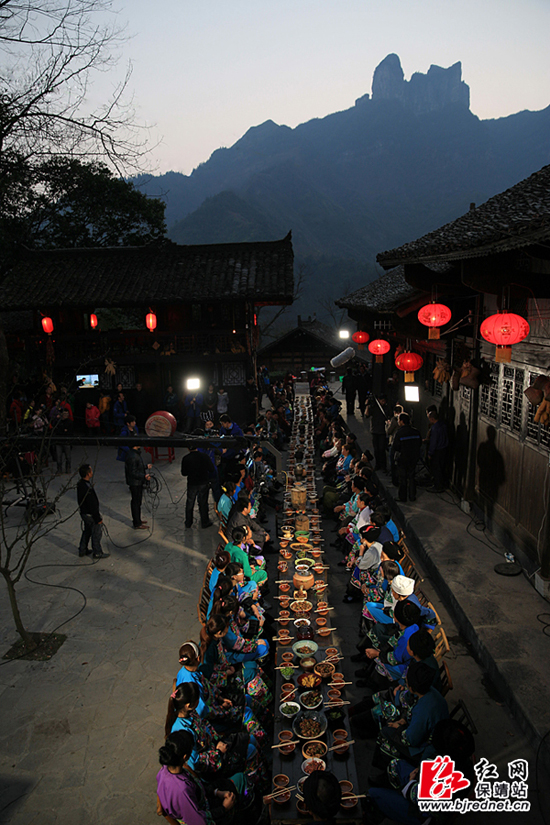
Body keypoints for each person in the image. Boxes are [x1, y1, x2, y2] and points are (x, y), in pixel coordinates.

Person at [157, 730, 241, 825]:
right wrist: (224, 808)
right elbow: (199, 820)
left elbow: (198, 789)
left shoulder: (164, 770)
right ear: (185, 757)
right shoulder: (182, 790)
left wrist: (217, 792)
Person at [76, 464, 110, 559]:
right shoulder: (87, 489)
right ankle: (97, 552)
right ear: (88, 473)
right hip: (90, 514)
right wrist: (97, 518)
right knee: (96, 533)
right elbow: (92, 505)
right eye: (90, 471)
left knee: (87, 531)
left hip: (84, 513)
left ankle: (82, 549)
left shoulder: (81, 484)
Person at [181, 442, 215, 528]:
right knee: (203, 503)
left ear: (188, 449)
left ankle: (188, 522)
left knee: (190, 503)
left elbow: (184, 473)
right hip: (203, 483)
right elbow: (211, 469)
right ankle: (205, 522)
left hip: (192, 483)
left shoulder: (186, 458)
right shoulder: (204, 456)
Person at [392, 413, 422, 503]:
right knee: (412, 477)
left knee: (403, 478)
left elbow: (395, 446)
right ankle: (412, 496)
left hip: (403, 458)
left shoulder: (399, 433)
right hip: (414, 458)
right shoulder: (416, 432)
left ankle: (403, 497)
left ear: (402, 421)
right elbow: (420, 443)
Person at [124, 444, 151, 529]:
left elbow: (137, 467)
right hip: (135, 483)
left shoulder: (134, 454)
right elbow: (133, 472)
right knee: (136, 503)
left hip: (137, 482)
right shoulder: (133, 456)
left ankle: (138, 520)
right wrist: (144, 476)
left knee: (137, 502)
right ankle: (137, 523)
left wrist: (145, 466)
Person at [366, 394, 389, 471]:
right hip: (375, 430)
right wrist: (367, 405)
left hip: (382, 431)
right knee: (376, 449)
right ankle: (378, 464)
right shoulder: (373, 407)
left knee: (382, 449)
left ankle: (383, 465)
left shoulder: (386, 408)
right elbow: (367, 414)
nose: (383, 402)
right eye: (382, 401)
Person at [427, 410, 448, 492]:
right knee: (441, 468)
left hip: (437, 450)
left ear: (432, 418)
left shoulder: (435, 428)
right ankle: (441, 484)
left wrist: (430, 453)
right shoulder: (443, 425)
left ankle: (437, 486)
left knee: (436, 469)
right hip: (444, 449)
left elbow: (434, 442)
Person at [54, 408, 73, 474]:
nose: (66, 415)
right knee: (58, 457)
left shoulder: (69, 422)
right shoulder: (58, 422)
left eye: (67, 414)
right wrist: (63, 430)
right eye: (64, 414)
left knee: (68, 457)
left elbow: (70, 432)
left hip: (66, 441)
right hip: (59, 441)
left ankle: (68, 468)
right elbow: (56, 430)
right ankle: (59, 469)